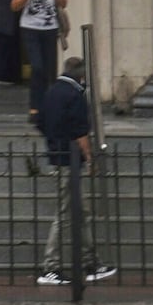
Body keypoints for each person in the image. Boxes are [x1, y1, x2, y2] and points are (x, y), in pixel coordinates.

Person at [32, 55, 115, 286]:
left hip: (57, 156)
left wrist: (54, 140)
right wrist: (89, 158)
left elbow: (39, 122)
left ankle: (91, 262)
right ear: (81, 75)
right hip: (71, 161)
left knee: (81, 213)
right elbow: (80, 133)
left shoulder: (51, 92)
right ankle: (51, 266)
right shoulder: (75, 95)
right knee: (65, 214)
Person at [11, 0, 66, 96]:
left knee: (49, 67)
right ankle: (35, 102)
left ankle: (48, 99)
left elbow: (64, 3)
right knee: (37, 66)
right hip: (30, 28)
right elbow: (14, 5)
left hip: (50, 28)